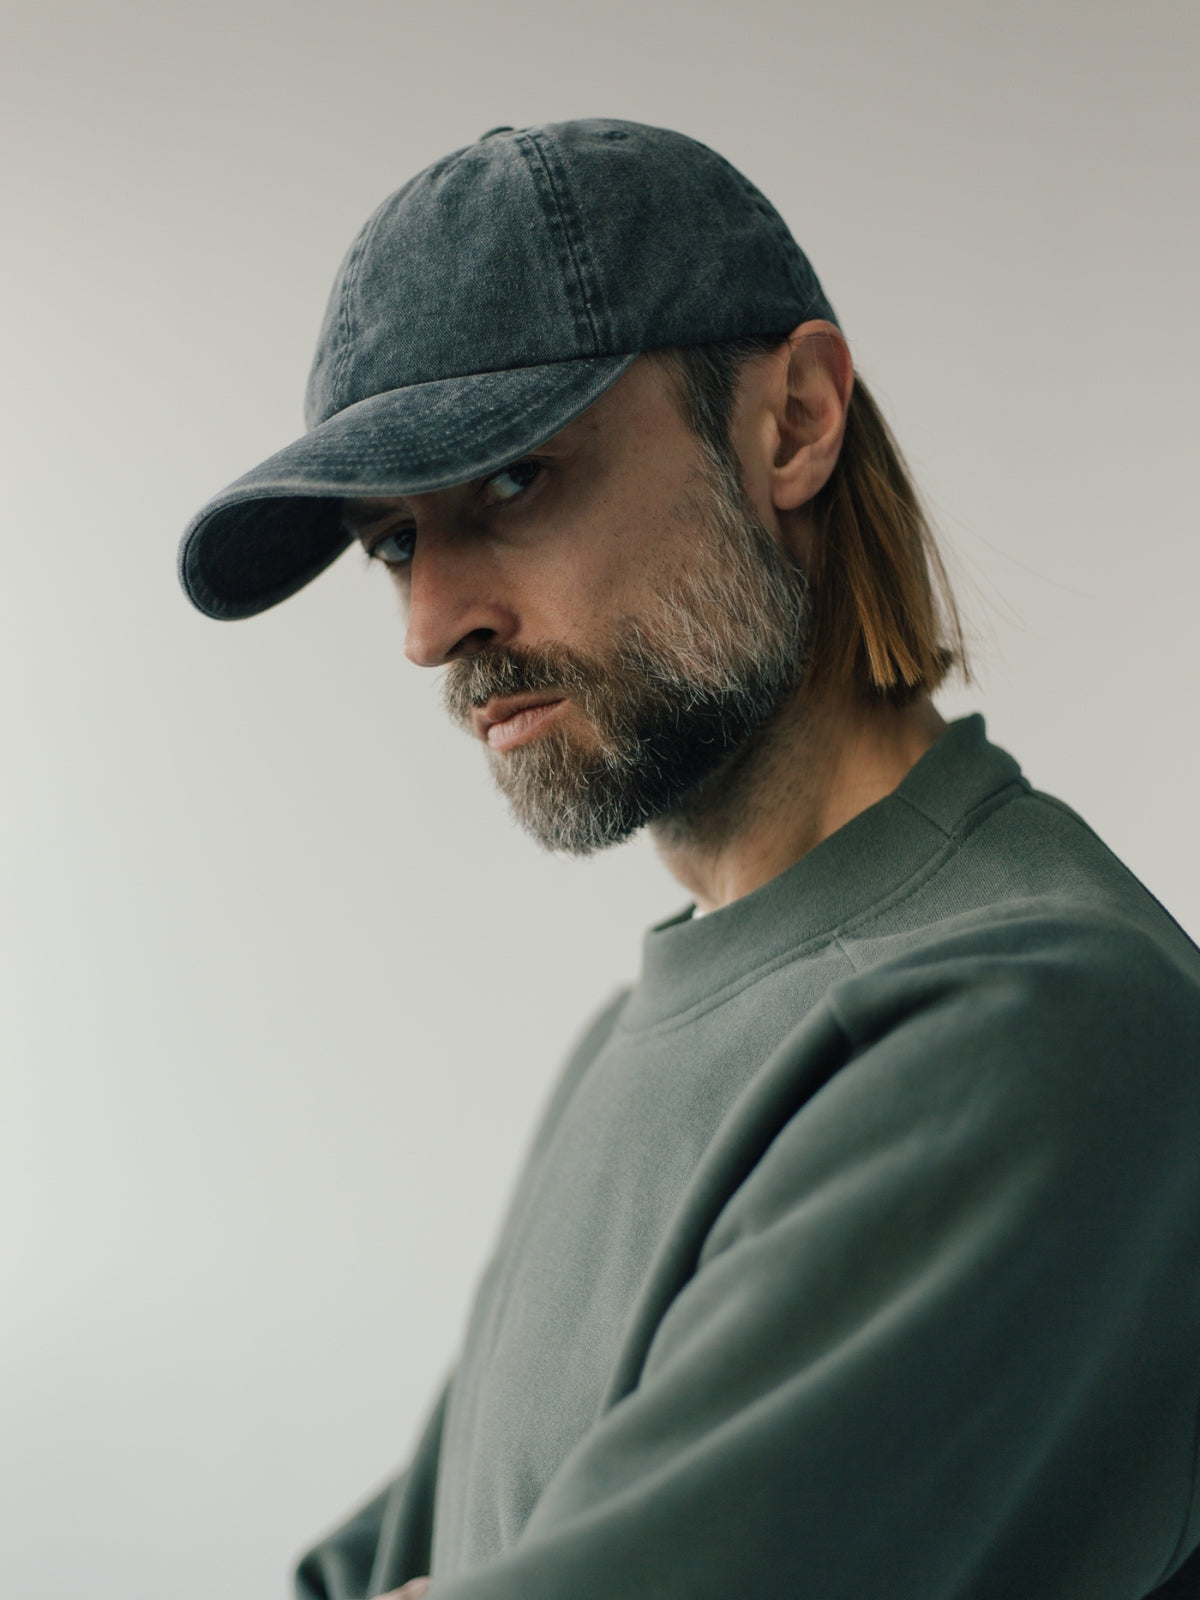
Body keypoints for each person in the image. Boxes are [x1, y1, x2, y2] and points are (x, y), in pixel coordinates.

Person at [178, 120, 1200, 1600]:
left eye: (514, 483)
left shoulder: (1042, 1022)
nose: (431, 626)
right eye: (394, 543)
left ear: (793, 422)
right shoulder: (634, 1043)